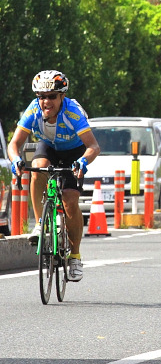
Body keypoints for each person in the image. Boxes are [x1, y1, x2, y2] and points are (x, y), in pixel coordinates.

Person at [7, 70, 100, 282]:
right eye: (41, 97)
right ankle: (41, 223)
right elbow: (14, 144)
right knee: (38, 168)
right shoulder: (33, 110)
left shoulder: (73, 113)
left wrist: (83, 161)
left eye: (52, 96)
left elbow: (93, 146)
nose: (46, 101)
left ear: (62, 97)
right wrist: (15, 160)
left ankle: (75, 256)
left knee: (69, 200)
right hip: (48, 147)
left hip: (74, 153)